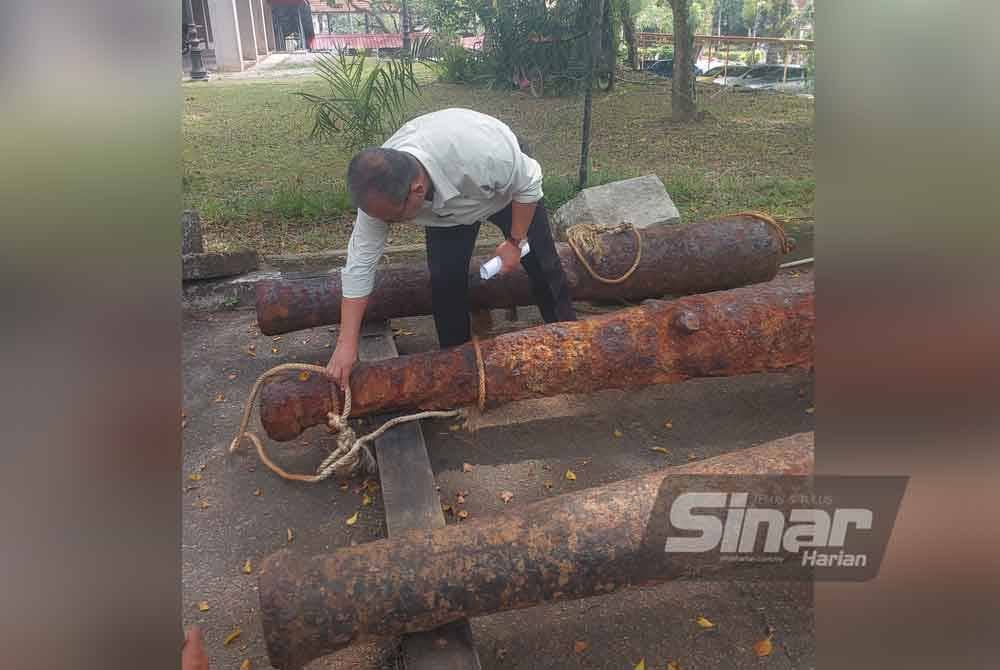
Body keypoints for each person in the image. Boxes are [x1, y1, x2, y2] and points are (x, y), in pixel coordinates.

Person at [326, 108, 576, 389]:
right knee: (445, 283)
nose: (385, 224)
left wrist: (515, 242)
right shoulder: (380, 193)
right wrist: (346, 344)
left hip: (504, 193)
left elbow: (529, 183)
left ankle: (572, 342)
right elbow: (360, 265)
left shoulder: (487, 154)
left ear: (417, 190)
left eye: (393, 218)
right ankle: (459, 373)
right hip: (448, 215)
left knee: (544, 266)